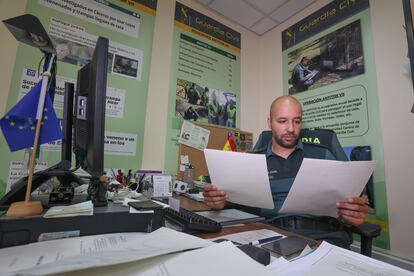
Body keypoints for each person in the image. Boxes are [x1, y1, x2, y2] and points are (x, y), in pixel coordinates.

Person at [203, 96, 369, 249]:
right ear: (269, 123)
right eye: (282, 121)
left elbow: (345, 206)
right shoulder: (252, 161)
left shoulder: (323, 155)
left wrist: (350, 216)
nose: (291, 129)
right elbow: (235, 202)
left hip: (323, 236)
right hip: (272, 235)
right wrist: (219, 203)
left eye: (297, 121)